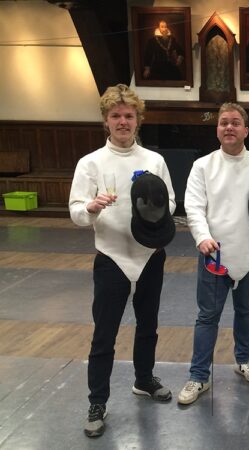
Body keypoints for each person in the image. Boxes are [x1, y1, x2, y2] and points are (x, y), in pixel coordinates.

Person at [69, 84, 176, 438]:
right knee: (104, 334)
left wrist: (156, 208)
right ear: (106, 120)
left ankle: (144, 380)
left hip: (149, 256)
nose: (122, 121)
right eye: (115, 115)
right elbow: (75, 211)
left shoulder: (154, 161)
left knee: (148, 326)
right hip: (111, 257)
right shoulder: (91, 163)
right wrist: (91, 207)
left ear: (138, 120)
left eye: (129, 115)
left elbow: (171, 202)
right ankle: (97, 402)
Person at [177, 103, 249, 405]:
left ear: (246, 130)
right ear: (217, 129)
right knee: (207, 316)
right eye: (224, 122)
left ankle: (244, 360)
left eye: (235, 122)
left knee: (247, 310)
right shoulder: (203, 166)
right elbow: (194, 207)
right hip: (214, 253)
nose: (229, 127)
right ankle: (199, 376)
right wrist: (202, 237)